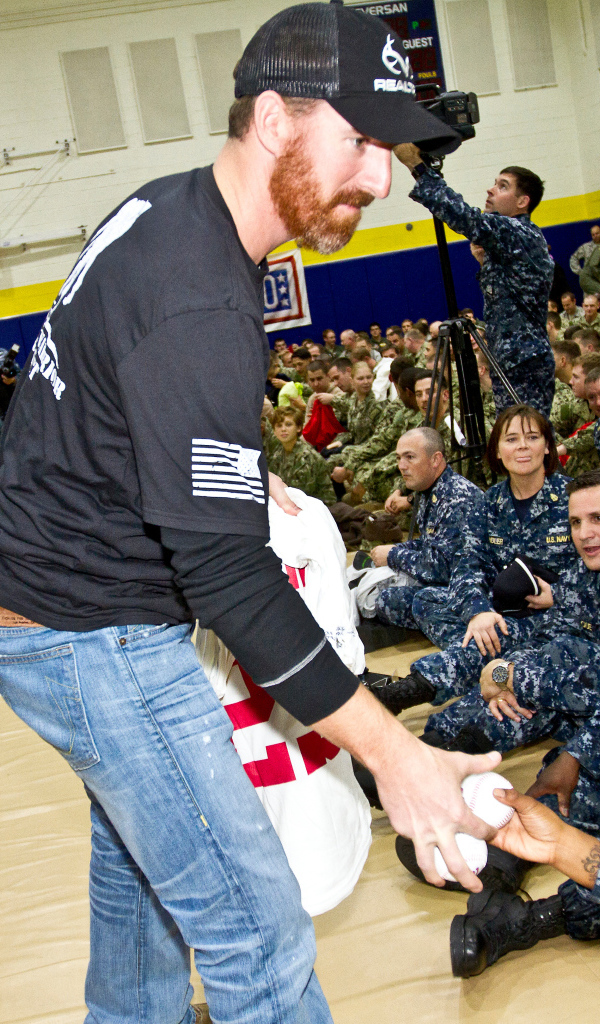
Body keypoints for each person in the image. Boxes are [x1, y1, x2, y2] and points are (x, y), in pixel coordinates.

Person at [0, 6, 503, 1023]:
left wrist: (221, 474)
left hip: (48, 610)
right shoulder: (201, 294)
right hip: (91, 635)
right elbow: (230, 576)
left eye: (389, 148)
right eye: (360, 140)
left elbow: (108, 408)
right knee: (258, 930)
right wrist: (394, 755)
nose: (379, 175)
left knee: (143, 895)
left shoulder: (168, 209)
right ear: (274, 118)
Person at [447, 471, 600, 975]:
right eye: (576, 521)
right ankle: (494, 863)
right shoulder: (583, 579)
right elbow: (551, 642)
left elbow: (575, 666)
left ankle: (529, 919)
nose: (584, 533)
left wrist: (507, 673)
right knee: (572, 792)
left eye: (597, 519)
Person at [371, 405, 577, 715]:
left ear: (547, 446)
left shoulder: (575, 496)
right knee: (430, 599)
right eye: (511, 439)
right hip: (501, 607)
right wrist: (478, 612)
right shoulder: (490, 502)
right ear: (497, 449)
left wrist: (560, 595)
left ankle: (411, 689)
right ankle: (485, 663)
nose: (522, 446)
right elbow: (467, 565)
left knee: (502, 637)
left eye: (532, 437)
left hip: (562, 615)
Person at [395, 149, 555, 418]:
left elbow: (465, 217)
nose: (491, 190)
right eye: (494, 183)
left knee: (530, 437)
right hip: (511, 360)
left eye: (502, 186)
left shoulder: (518, 231)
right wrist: (486, 264)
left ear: (522, 202)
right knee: (521, 438)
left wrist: (418, 166)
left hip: (523, 361)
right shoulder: (509, 241)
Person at [368, 427, 483, 636]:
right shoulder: (430, 491)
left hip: (471, 590)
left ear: (435, 459)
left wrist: (394, 555)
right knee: (379, 591)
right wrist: (396, 548)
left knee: (388, 600)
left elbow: (442, 568)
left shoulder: (456, 498)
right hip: (447, 580)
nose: (402, 466)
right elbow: (430, 543)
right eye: (399, 458)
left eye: (410, 457)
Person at [267, 406, 336, 505]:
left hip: (317, 506)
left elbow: (303, 495)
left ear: (299, 428)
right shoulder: (276, 454)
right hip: (289, 504)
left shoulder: (307, 457)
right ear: (274, 430)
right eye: (279, 425)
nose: (283, 429)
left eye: (288, 424)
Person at [550, 338, 590, 439]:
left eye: (550, 356)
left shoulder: (578, 395)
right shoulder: (552, 386)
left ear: (563, 360)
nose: (546, 362)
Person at [570, 224, 600, 297]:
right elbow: (574, 258)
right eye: (593, 235)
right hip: (590, 282)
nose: (595, 236)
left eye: (597, 233)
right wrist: (580, 272)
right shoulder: (586, 247)